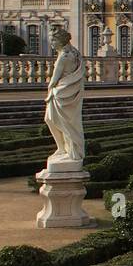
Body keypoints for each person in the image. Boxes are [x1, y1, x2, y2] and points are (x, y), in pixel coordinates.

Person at [44, 28, 86, 165]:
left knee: (52, 119)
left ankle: (64, 149)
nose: (51, 43)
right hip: (70, 92)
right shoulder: (74, 52)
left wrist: (50, 91)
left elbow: (54, 79)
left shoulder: (63, 56)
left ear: (61, 40)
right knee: (69, 122)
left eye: (53, 40)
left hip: (61, 93)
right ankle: (66, 149)